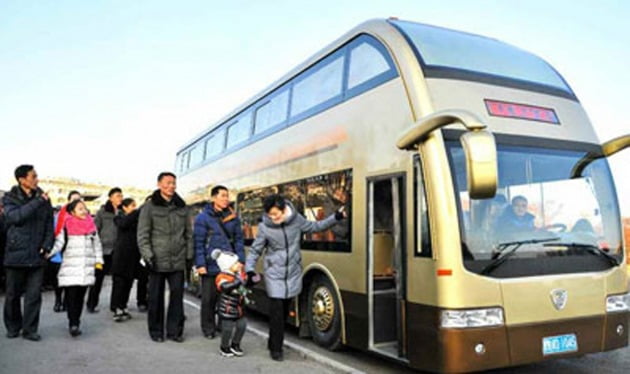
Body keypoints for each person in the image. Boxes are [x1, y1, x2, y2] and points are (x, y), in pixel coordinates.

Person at [245, 194, 346, 361]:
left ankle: (273, 341)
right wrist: (249, 270)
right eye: (270, 215)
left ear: (284, 210)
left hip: (292, 272)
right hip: (274, 273)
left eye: (276, 214)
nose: (273, 218)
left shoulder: (296, 220)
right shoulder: (265, 228)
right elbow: (255, 250)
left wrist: (336, 217)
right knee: (277, 311)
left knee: (284, 311)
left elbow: (315, 227)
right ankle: (276, 349)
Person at [137, 172, 193, 343]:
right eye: (168, 183)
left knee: (177, 296)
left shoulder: (182, 207)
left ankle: (175, 331)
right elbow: (143, 234)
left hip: (178, 259)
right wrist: (148, 256)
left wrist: (189, 256)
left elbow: (188, 234)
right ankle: (156, 331)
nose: (171, 186)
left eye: (174, 183)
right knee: (155, 297)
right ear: (159, 184)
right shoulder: (149, 207)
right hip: (157, 259)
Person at [2, 165, 54, 341]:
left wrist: (47, 245)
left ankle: (30, 329)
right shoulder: (10, 198)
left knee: (33, 296)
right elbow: (15, 217)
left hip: (37, 254)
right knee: (13, 295)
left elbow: (49, 224)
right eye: (33, 176)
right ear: (22, 179)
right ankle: (13, 326)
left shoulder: (44, 199)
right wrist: (38, 201)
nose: (37, 179)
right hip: (16, 252)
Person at [193, 185, 245, 339]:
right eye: (222, 196)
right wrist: (200, 264)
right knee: (209, 299)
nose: (226, 199)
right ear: (214, 198)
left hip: (228, 265)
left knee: (227, 297)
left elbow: (239, 241)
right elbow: (199, 242)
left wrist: (241, 260)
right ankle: (208, 328)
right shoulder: (203, 218)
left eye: (227, 196)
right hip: (210, 264)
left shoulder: (233, 217)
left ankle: (223, 325)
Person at [47, 199, 103, 337]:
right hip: (70, 267)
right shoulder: (66, 226)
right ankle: (73, 323)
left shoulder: (92, 226)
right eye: (80, 209)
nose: (84, 211)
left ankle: (76, 321)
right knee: (71, 297)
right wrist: (48, 254)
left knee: (80, 297)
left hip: (86, 268)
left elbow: (97, 245)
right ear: (72, 212)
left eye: (84, 208)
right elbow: (59, 244)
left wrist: (98, 261)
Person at [88, 187, 122, 313]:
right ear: (110, 198)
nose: (120, 198)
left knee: (117, 280)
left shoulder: (122, 211)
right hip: (103, 251)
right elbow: (95, 229)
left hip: (117, 250)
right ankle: (91, 303)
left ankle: (115, 305)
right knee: (98, 278)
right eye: (118, 196)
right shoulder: (102, 212)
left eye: (121, 196)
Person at [212, 249, 250, 357]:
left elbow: (247, 283)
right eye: (235, 263)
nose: (239, 264)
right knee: (227, 329)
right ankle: (224, 347)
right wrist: (238, 281)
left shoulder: (239, 274)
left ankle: (235, 344)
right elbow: (225, 287)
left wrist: (252, 279)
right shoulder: (222, 277)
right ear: (227, 266)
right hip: (227, 308)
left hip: (239, 307)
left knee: (242, 326)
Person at [49, 190, 82, 312]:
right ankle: (58, 300)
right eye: (74, 199)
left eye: (79, 199)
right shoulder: (59, 216)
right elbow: (53, 233)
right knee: (58, 280)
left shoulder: (83, 217)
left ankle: (68, 301)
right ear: (69, 201)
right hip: (59, 253)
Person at [111, 198, 142, 322]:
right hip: (121, 256)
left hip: (133, 256)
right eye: (132, 206)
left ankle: (123, 305)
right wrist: (136, 212)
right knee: (119, 283)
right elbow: (124, 224)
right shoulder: (119, 218)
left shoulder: (136, 220)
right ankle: (116, 307)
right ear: (124, 207)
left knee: (128, 283)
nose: (134, 208)